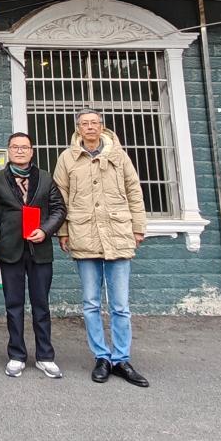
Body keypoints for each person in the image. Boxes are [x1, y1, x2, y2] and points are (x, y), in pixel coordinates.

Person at [53, 109, 150, 388]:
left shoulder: (119, 156)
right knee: (91, 303)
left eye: (94, 123)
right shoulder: (67, 158)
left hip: (118, 234)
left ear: (101, 126)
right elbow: (60, 197)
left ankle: (121, 358)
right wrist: (63, 231)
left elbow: (134, 190)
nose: (89, 127)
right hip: (84, 235)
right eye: (84, 123)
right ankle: (102, 357)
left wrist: (138, 226)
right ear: (78, 129)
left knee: (120, 305)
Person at [0, 132, 67, 379]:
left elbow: (59, 209)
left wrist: (45, 230)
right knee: (13, 305)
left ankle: (45, 356)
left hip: (39, 250)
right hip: (9, 250)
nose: (20, 151)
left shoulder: (45, 178)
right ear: (8, 151)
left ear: (32, 151)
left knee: (41, 305)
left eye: (25, 147)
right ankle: (16, 355)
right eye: (15, 147)